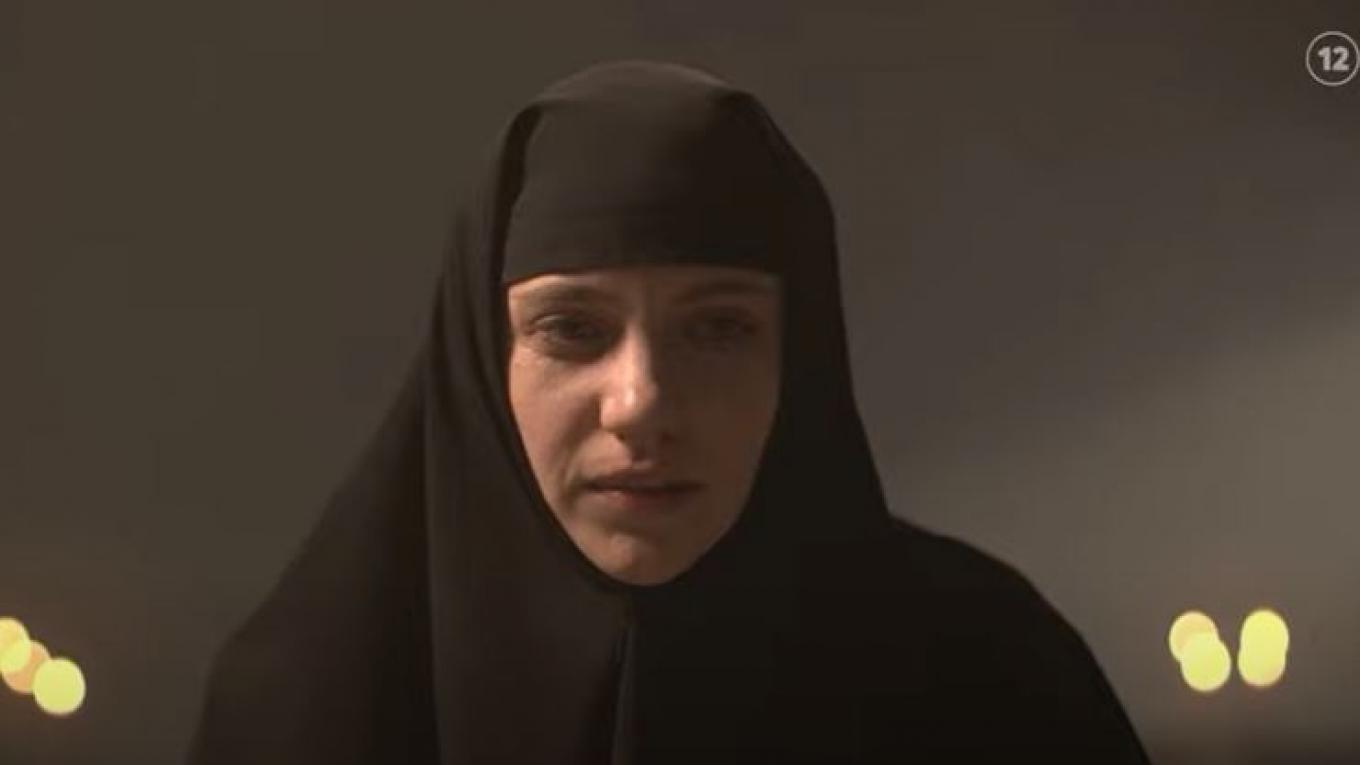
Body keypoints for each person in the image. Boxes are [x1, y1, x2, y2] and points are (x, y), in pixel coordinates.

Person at [184, 59, 1151, 764]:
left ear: (798, 356)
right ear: (483, 357)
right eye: (572, 328)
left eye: (719, 328)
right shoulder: (307, 710)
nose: (641, 401)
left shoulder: (995, 683)